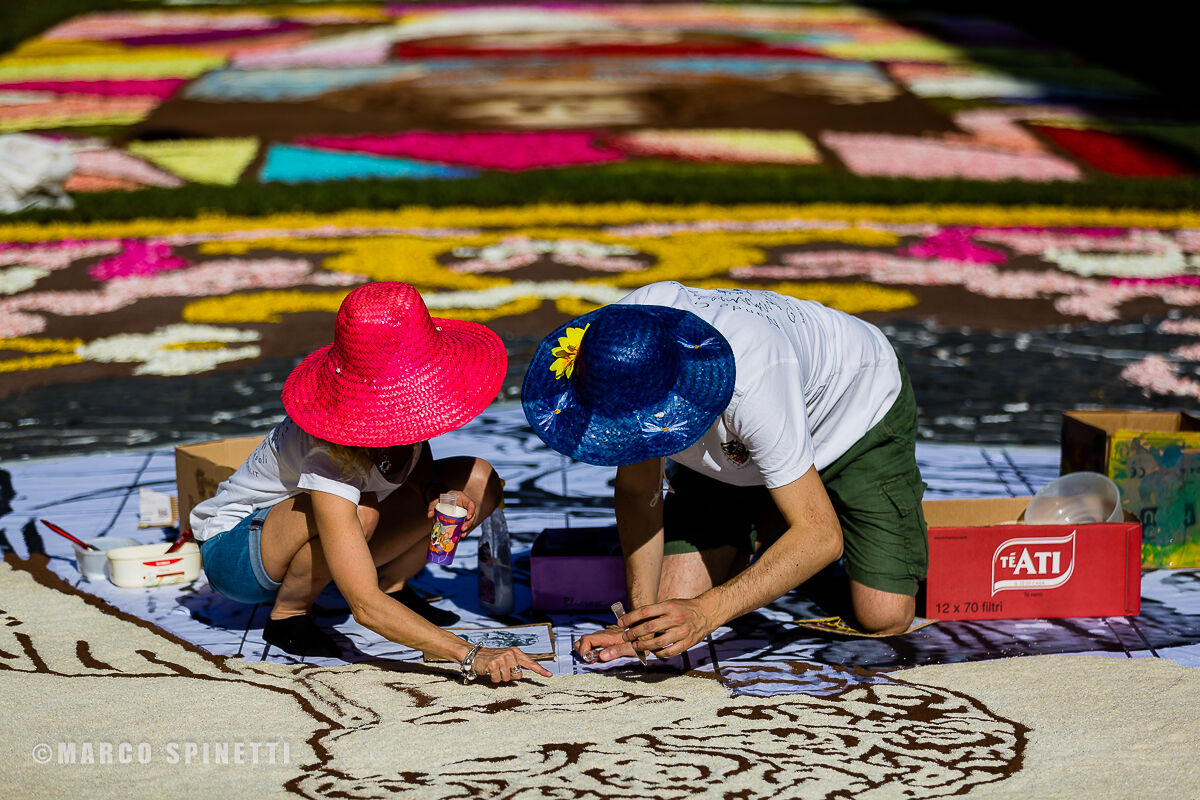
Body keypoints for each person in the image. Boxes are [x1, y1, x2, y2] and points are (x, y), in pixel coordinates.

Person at [520, 281, 927, 663]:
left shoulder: (755, 380)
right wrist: (641, 622)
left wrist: (707, 612)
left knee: (884, 614)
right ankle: (776, 505)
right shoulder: (620, 344)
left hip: (851, 418)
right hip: (739, 449)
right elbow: (637, 492)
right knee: (668, 618)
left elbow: (822, 537)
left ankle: (791, 503)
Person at [191, 281, 551, 684]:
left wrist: (441, 495)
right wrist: (469, 653)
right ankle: (289, 616)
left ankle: (394, 585)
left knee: (479, 479)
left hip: (296, 532)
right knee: (362, 514)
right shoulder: (327, 449)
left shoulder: (402, 409)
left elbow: (421, 472)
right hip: (236, 555)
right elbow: (363, 607)